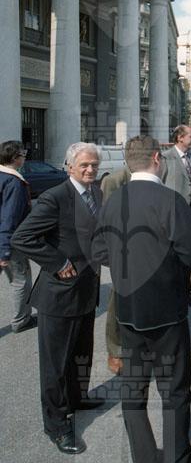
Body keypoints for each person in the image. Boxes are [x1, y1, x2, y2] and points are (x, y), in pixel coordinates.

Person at [91, 136, 191, 463]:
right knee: (174, 390)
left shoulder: (113, 200)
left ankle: (143, 457)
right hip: (167, 313)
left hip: (128, 311)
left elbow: (99, 251)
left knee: (133, 390)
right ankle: (176, 456)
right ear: (157, 159)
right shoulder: (169, 200)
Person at [11, 142, 103, 455]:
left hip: (87, 290)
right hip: (59, 296)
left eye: (94, 164)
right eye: (84, 165)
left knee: (81, 353)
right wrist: (58, 262)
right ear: (69, 167)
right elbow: (22, 238)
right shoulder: (55, 197)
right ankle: (57, 425)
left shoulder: (96, 192)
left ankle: (78, 398)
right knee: (55, 366)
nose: (90, 170)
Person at [163, 124, 191, 308]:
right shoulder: (166, 158)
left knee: (188, 256)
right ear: (180, 137)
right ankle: (173, 294)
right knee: (173, 258)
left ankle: (187, 293)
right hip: (173, 217)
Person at [0, 140, 34, 333]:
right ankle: (21, 321)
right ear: (15, 158)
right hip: (9, 242)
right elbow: (10, 218)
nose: (24, 158)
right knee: (20, 280)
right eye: (23, 155)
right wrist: (4, 250)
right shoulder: (14, 182)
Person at [100, 164, 131, 375]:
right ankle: (116, 351)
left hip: (150, 250)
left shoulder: (161, 170)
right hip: (123, 252)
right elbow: (107, 221)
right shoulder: (114, 180)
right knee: (117, 303)